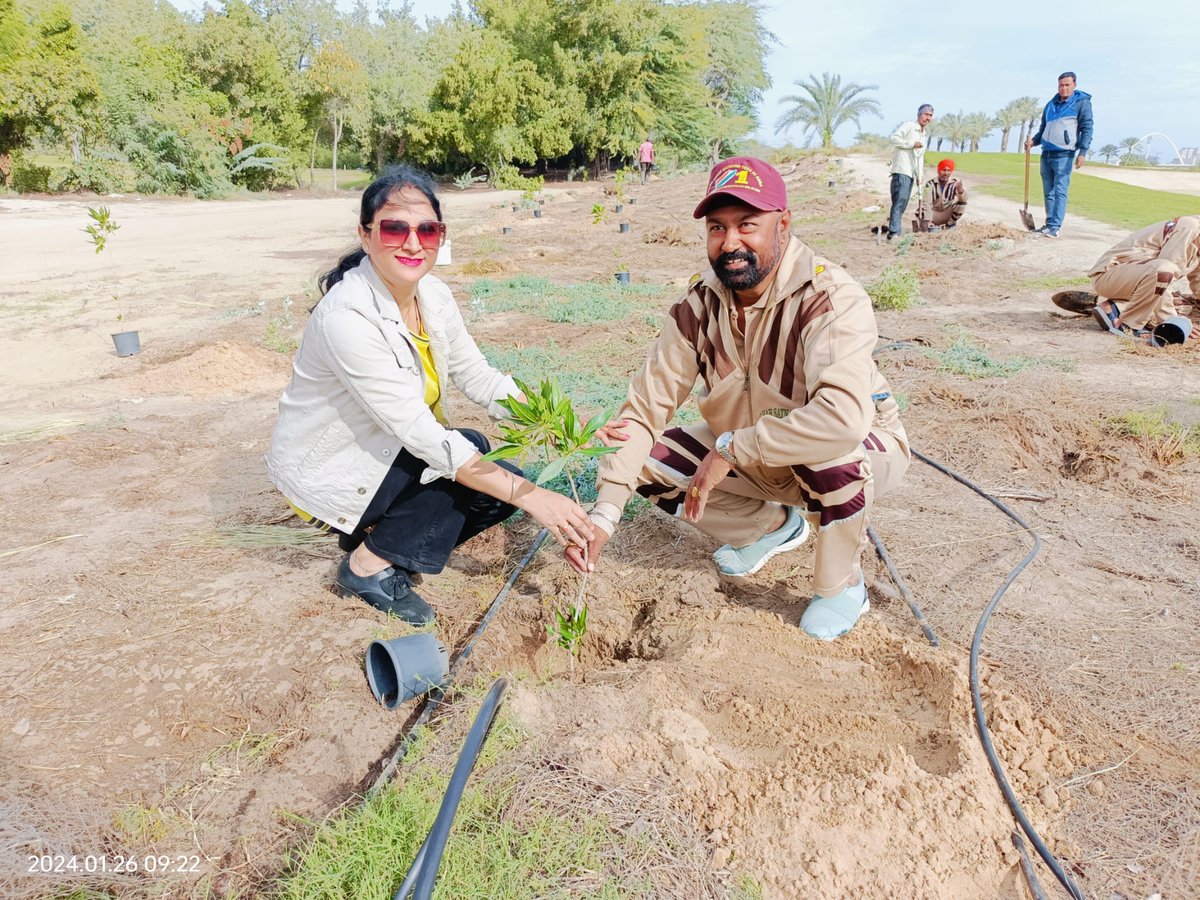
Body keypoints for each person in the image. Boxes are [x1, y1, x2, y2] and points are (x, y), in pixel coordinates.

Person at [565, 157, 910, 641]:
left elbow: (842, 421)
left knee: (834, 456)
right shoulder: (697, 308)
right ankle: (770, 528)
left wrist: (730, 450)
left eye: (748, 225)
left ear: (783, 224)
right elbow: (642, 414)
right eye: (717, 228)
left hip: (857, 448)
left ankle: (841, 586)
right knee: (646, 459)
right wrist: (603, 516)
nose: (731, 244)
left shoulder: (829, 297)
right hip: (751, 455)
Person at [266, 166, 595, 625]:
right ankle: (364, 568)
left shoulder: (434, 296)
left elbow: (476, 375)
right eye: (395, 228)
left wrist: (554, 422)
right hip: (329, 471)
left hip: (384, 454)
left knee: (497, 485)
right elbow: (424, 435)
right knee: (478, 465)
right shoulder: (347, 317)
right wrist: (536, 497)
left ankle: (380, 534)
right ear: (365, 235)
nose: (413, 242)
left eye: (428, 229)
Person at [1088, 216, 1200, 339]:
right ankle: (1128, 324)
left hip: (1133, 278)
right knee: (1165, 271)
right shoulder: (1191, 228)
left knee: (1178, 302)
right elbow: (1164, 274)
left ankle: (1113, 307)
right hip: (1109, 276)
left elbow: (1198, 277)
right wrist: (1173, 321)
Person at [1025, 72, 1093, 238]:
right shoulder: (1051, 105)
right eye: (1061, 85)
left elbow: (1087, 128)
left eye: (1067, 85)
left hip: (1064, 154)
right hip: (1046, 153)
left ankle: (1055, 227)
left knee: (1060, 191)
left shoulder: (1081, 103)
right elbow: (1043, 130)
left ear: (1074, 85)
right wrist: (1033, 141)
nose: (1064, 88)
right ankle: (1049, 224)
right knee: (1048, 192)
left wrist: (1082, 152)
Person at [885, 104, 933, 240]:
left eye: (930, 115)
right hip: (902, 170)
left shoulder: (924, 135)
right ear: (919, 115)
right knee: (899, 200)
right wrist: (912, 144)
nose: (927, 118)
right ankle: (893, 232)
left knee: (903, 202)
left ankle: (895, 230)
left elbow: (919, 157)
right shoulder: (909, 126)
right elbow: (894, 138)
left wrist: (919, 175)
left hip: (911, 173)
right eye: (925, 114)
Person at [924, 158, 967, 228]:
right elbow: (926, 203)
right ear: (938, 171)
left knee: (962, 204)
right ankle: (929, 225)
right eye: (943, 170)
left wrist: (961, 192)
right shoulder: (929, 184)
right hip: (933, 214)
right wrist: (928, 220)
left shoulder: (955, 183)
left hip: (947, 214)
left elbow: (964, 200)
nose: (946, 173)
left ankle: (950, 225)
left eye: (948, 170)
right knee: (921, 209)